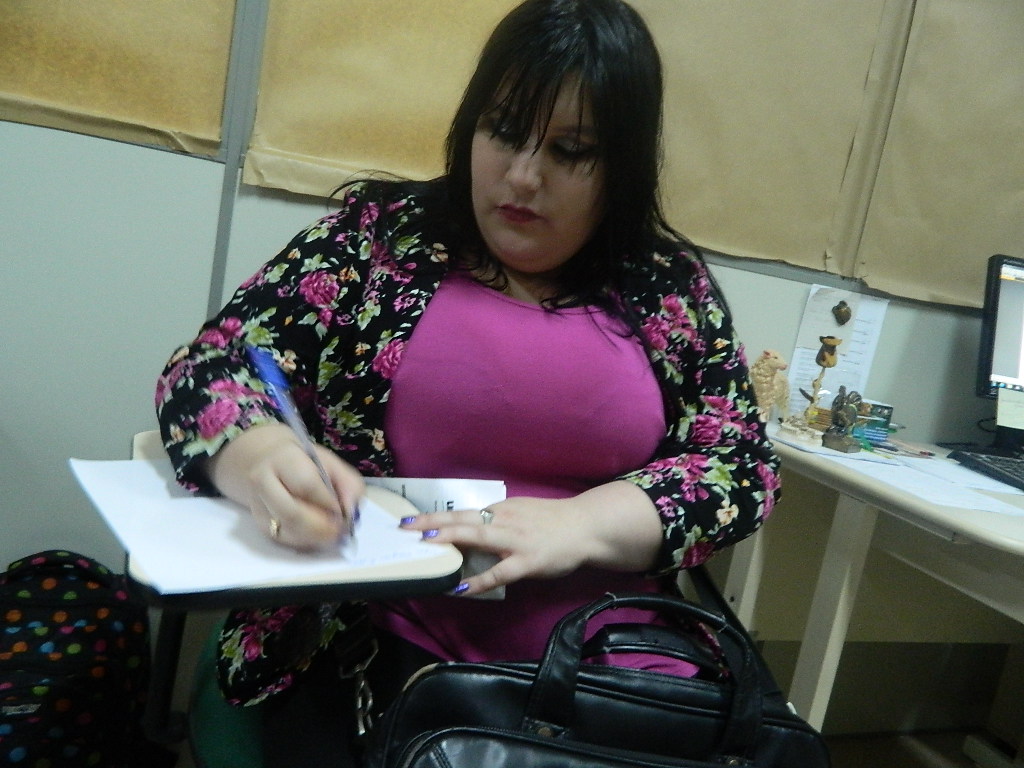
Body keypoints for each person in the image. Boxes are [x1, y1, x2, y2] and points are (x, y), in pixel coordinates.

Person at [155, 0, 781, 764]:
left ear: (621, 165)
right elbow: (212, 367)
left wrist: (584, 523)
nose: (522, 177)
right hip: (381, 643)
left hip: (607, 666)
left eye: (570, 151)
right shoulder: (380, 239)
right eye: (504, 131)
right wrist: (259, 455)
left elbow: (740, 465)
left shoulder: (667, 287)